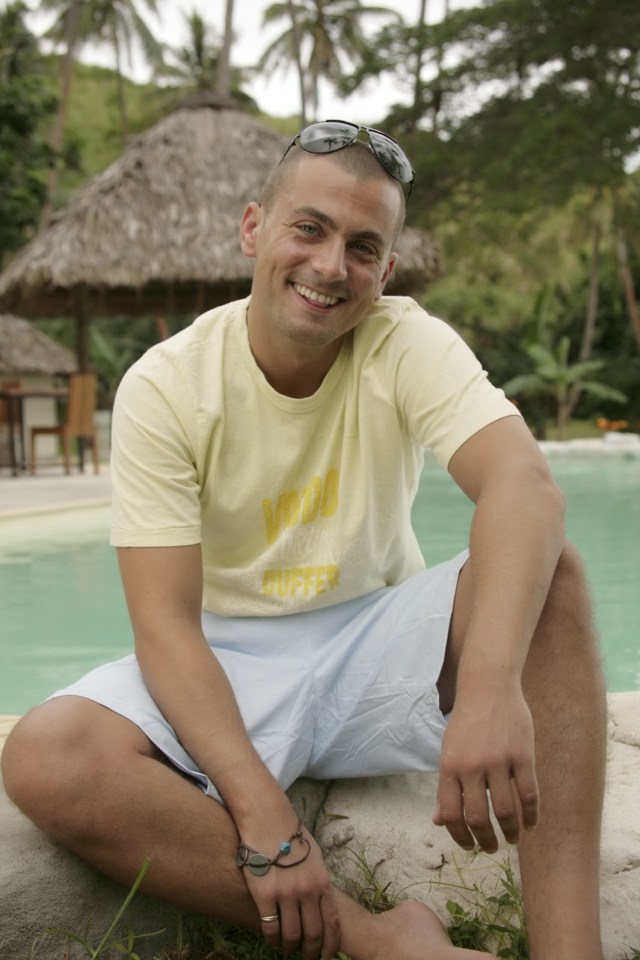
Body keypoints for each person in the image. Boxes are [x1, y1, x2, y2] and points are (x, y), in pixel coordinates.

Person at [2, 120, 606, 960]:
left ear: (386, 270)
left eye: (363, 246)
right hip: (226, 665)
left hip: (377, 644)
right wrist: (261, 813)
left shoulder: (403, 339)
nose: (332, 266)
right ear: (256, 229)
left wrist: (494, 681)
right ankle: (385, 941)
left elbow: (525, 489)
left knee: (558, 577)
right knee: (47, 755)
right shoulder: (167, 384)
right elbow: (166, 629)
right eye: (309, 229)